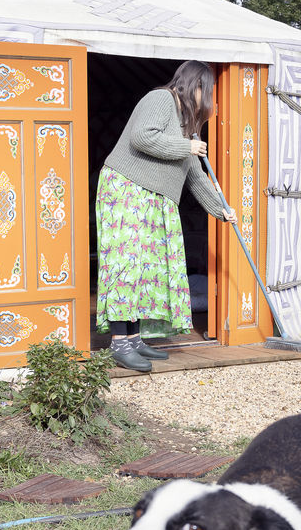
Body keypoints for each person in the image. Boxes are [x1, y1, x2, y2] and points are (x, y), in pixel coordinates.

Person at [97, 60, 236, 371]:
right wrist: (187, 146)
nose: (209, 99)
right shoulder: (161, 99)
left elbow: (196, 176)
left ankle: (134, 339)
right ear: (195, 85)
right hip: (128, 190)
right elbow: (142, 137)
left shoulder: (186, 123)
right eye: (207, 91)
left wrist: (221, 210)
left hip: (154, 198)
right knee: (126, 265)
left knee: (146, 270)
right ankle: (119, 344)